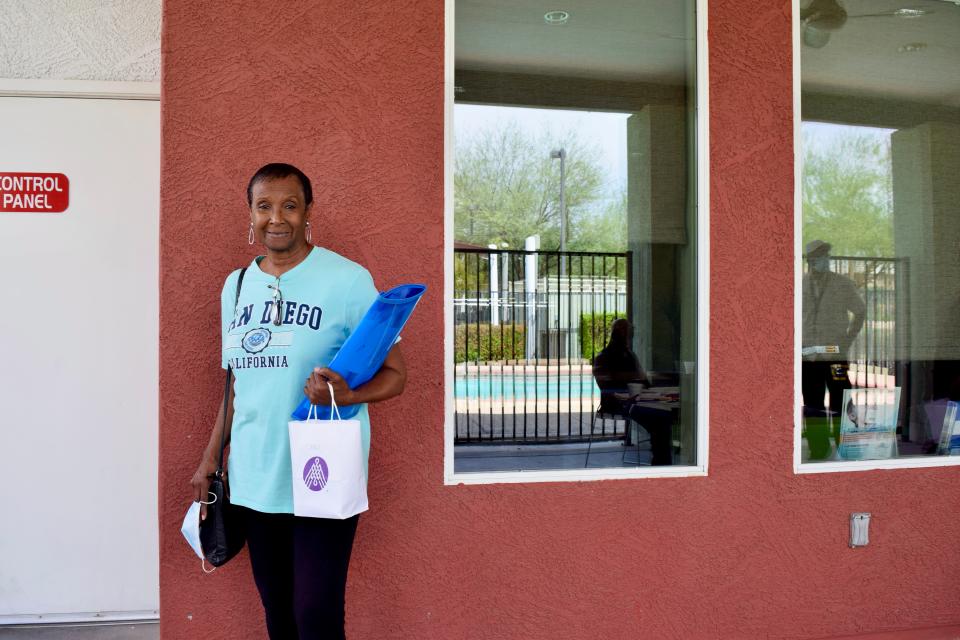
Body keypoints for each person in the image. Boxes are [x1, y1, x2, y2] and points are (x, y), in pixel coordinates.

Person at [190, 163, 406, 639]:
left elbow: (396, 376)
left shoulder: (347, 280)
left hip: (321, 475)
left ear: (308, 211)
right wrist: (209, 460)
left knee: (316, 614)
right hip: (254, 476)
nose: (276, 218)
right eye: (264, 206)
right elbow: (235, 385)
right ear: (250, 213)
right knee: (279, 614)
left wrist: (347, 394)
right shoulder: (237, 286)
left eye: (289, 205)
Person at [801, 239, 865, 455]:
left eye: (826, 255)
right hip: (808, 358)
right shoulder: (800, 284)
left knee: (842, 398)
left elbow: (860, 311)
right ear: (811, 260)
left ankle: (846, 444)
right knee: (812, 403)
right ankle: (818, 448)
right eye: (820, 256)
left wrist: (847, 340)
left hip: (835, 356)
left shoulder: (842, 283)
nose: (824, 259)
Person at [592, 318, 673, 465]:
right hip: (618, 403)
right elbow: (607, 386)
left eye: (628, 333)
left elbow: (643, 381)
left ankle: (662, 461)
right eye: (625, 333)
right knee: (660, 419)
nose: (627, 336)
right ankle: (661, 463)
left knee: (665, 413)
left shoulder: (629, 355)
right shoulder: (603, 357)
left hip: (637, 400)